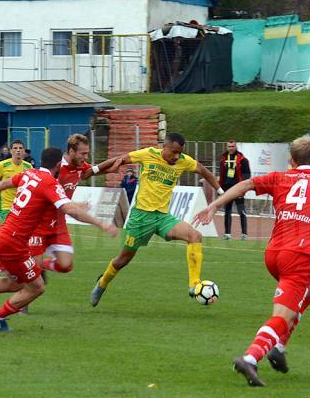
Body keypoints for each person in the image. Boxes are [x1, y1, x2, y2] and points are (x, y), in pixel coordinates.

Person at [193, 137, 310, 387]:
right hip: (298, 256)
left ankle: (278, 347)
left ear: (291, 161)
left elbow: (245, 184)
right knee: (281, 315)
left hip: (273, 254)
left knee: (308, 293)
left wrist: (214, 205)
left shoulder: (280, 176)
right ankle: (251, 357)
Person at [0, 147, 118, 331]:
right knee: (37, 287)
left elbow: (7, 182)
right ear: (57, 165)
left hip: (2, 236)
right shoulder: (49, 182)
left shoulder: (29, 173)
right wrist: (101, 224)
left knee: (17, 283)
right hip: (14, 243)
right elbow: (69, 210)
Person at [89, 132, 224, 307]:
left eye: (180, 153)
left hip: (162, 218)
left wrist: (221, 192)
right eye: (174, 152)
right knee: (122, 260)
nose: (177, 156)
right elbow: (120, 159)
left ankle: (194, 284)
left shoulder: (184, 161)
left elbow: (205, 172)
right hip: (140, 218)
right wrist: (93, 170)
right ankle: (102, 284)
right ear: (164, 147)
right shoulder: (148, 154)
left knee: (195, 236)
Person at [29, 134, 120, 276]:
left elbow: (91, 171)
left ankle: (38, 265)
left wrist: (111, 168)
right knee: (33, 281)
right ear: (71, 152)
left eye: (87, 153)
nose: (86, 157)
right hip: (40, 222)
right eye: (83, 153)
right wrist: (75, 205)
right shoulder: (57, 169)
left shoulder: (80, 166)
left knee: (66, 265)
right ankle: (22, 265)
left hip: (58, 222)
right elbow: (46, 196)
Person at [0, 140, 32, 221]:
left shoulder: (28, 166)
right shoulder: (2, 165)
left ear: (23, 151)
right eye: (15, 148)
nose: (18, 150)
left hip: (22, 206)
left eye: (20, 148)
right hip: (6, 206)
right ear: (11, 151)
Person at [218, 140, 251, 240]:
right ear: (226, 147)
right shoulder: (223, 159)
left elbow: (247, 175)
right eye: (229, 146)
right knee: (227, 211)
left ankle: (244, 234)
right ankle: (227, 234)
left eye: (232, 146)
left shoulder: (243, 160)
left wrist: (243, 188)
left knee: (241, 211)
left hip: (238, 189)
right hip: (227, 189)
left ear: (236, 147)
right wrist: (220, 189)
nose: (230, 148)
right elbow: (221, 175)